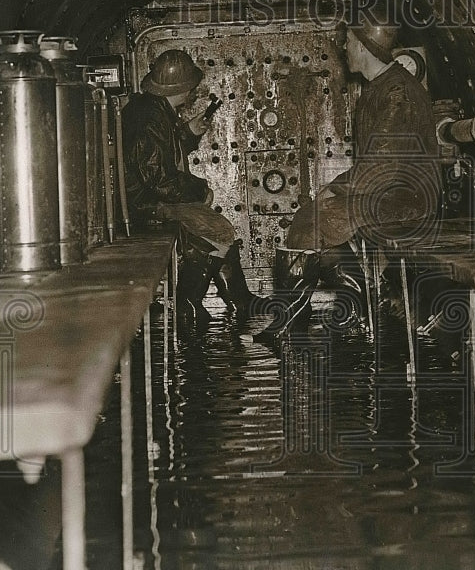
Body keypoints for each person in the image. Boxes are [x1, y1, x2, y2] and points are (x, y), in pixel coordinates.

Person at [266, 22, 443, 335]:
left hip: (407, 199)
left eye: (347, 41)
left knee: (316, 221)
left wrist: (336, 188)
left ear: (362, 45)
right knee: (312, 218)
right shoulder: (381, 86)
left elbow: (382, 163)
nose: (343, 48)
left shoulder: (395, 92)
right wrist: (337, 190)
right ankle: (352, 309)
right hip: (389, 192)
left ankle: (297, 325)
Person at [122, 49, 263, 326]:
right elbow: (158, 178)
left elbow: (159, 155)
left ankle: (232, 301)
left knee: (215, 231)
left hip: (146, 198)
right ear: (185, 88)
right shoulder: (151, 118)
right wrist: (201, 191)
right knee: (218, 231)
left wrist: (187, 132)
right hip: (147, 205)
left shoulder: (154, 109)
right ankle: (193, 304)